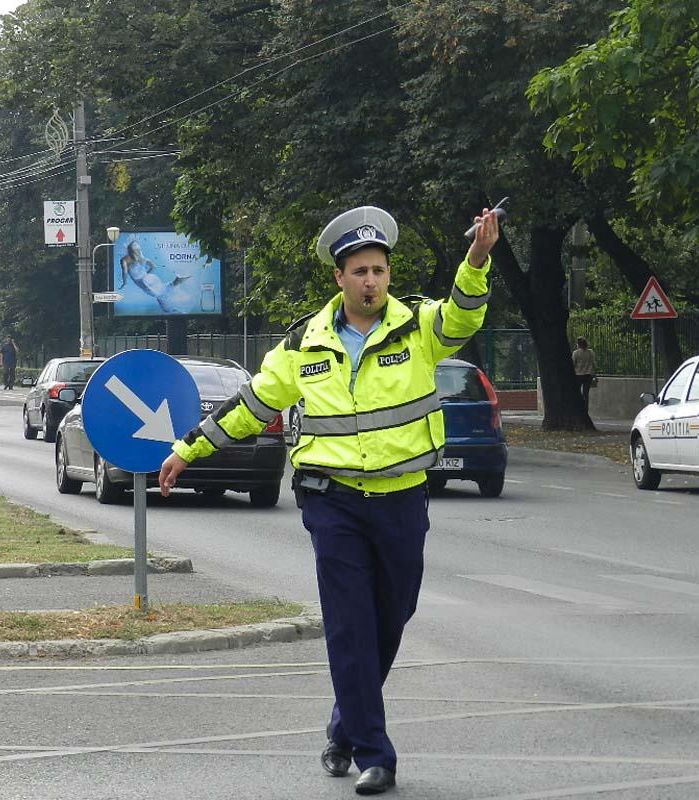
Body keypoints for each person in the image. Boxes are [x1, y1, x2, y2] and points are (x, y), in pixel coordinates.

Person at [159, 205, 499, 795]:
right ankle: (375, 753)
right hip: (331, 502)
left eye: (380, 270)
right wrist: (190, 448)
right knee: (349, 626)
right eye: (361, 271)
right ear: (339, 278)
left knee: (392, 618)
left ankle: (344, 727)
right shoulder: (303, 344)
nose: (372, 281)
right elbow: (253, 405)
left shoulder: (418, 328)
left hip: (400, 500)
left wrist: (475, 259)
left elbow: (464, 318)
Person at [572, 336, 596, 413]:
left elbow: (573, 364)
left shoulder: (575, 353)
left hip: (578, 375)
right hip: (588, 375)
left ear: (578, 344)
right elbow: (593, 364)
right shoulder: (590, 352)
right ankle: (585, 411)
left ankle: (578, 409)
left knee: (577, 393)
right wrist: (594, 374)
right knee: (586, 394)